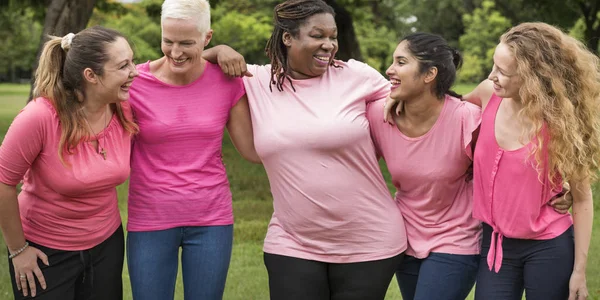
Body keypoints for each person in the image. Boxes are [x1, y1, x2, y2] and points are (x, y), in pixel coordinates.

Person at [203, 1, 407, 299]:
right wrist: (219, 50)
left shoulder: (357, 76)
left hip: (369, 241)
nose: (329, 45)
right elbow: (186, 62)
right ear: (288, 37)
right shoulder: (257, 80)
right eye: (317, 35)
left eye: (333, 37)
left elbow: (415, 102)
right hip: (292, 242)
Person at [125, 0, 258, 299]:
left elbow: (250, 150)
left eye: (187, 43)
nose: (175, 52)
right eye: (167, 41)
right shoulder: (135, 84)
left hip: (211, 220)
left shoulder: (226, 81)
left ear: (207, 38)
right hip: (150, 219)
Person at [0, 26, 138, 299]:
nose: (134, 71)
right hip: (45, 252)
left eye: (133, 61)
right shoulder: (40, 118)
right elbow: (3, 183)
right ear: (91, 76)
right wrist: (18, 250)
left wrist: (217, 52)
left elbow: (171, 69)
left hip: (106, 246)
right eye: (124, 66)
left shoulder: (122, 105)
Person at [464, 22, 599, 300]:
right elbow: (444, 111)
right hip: (496, 243)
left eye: (502, 71)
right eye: (493, 66)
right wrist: (398, 99)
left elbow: (583, 200)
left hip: (549, 246)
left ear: (533, 76)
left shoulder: (562, 124)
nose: (492, 76)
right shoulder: (488, 94)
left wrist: (579, 272)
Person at [366, 33, 482, 300]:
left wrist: (559, 187)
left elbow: (506, 166)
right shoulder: (378, 115)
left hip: (457, 239)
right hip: (404, 239)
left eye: (401, 62)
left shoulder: (465, 118)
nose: (389, 69)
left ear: (429, 74)